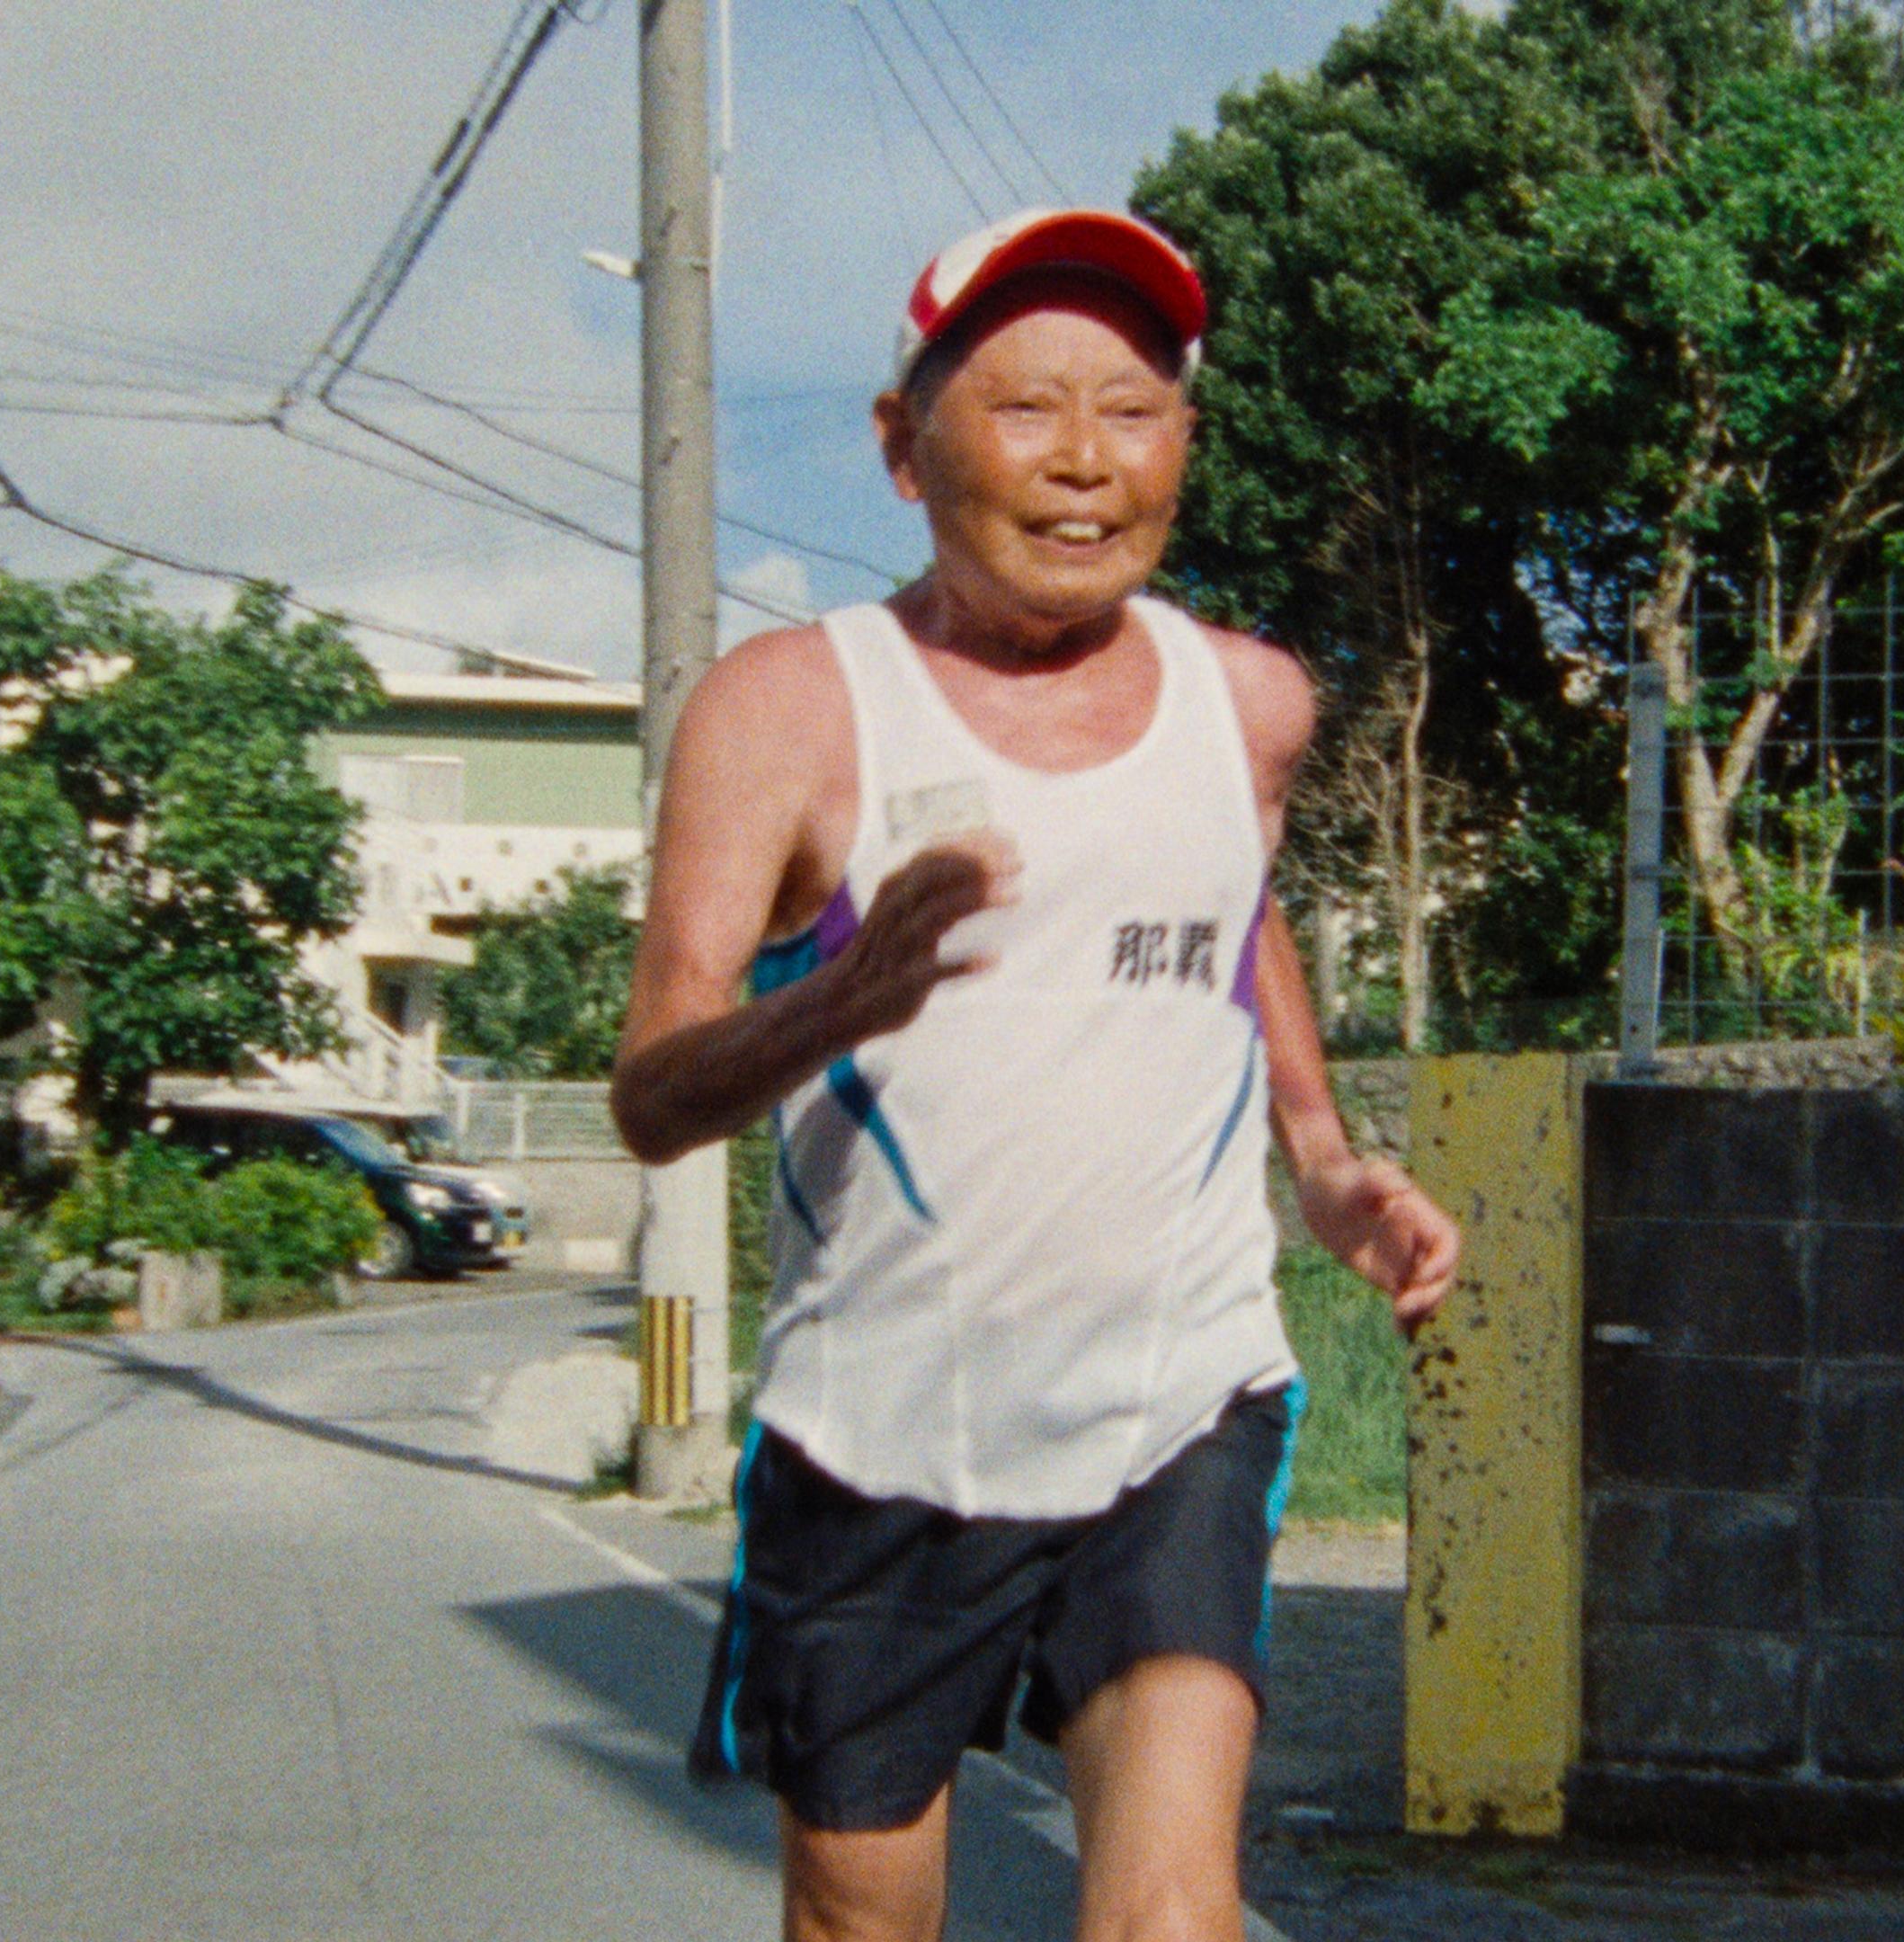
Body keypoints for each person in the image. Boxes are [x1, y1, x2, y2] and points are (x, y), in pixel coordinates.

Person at [609, 206, 1463, 1942]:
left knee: (1168, 1922)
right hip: (881, 1437)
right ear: (900, 448)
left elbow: (1235, 903)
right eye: (1023, 412)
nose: (1086, 464)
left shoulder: (1250, 704)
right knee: (863, 1922)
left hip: (1180, 1396)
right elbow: (650, 1091)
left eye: (1134, 412)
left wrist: (1322, 1153)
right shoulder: (787, 711)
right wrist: (839, 1000)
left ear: (1185, 446)